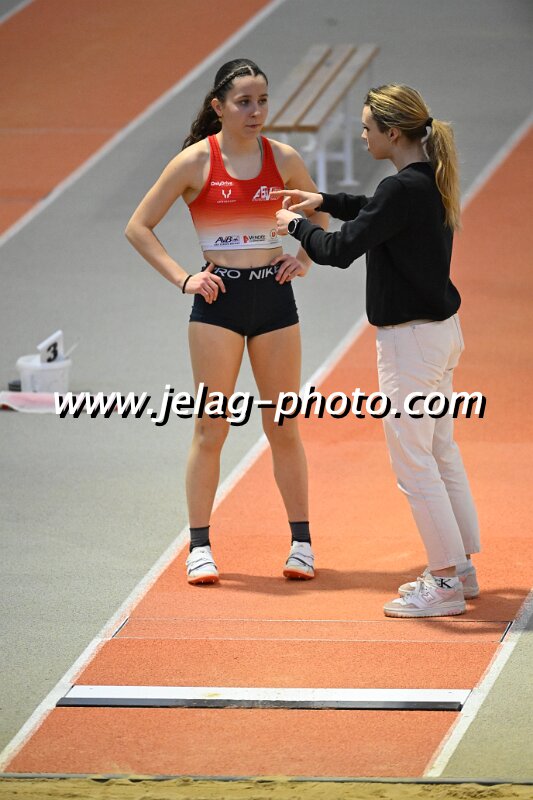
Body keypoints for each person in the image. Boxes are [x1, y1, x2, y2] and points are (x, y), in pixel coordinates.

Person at [274, 84, 480, 618]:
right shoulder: (425, 180)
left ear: (392, 132)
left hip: (410, 344)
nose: (362, 136)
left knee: (414, 465)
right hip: (440, 334)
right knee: (440, 452)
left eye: (367, 128)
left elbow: (340, 248)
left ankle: (445, 583)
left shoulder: (401, 188)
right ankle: (461, 569)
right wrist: (324, 201)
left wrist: (296, 226)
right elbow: (372, 210)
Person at [125, 58, 328, 586]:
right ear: (218, 107)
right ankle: (199, 547)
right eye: (244, 102)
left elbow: (320, 211)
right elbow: (138, 226)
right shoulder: (195, 162)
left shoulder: (283, 159)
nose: (255, 111)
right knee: (210, 426)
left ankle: (302, 544)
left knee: (282, 424)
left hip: (275, 302)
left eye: (262, 101)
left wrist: (303, 259)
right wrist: (184, 279)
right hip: (218, 304)